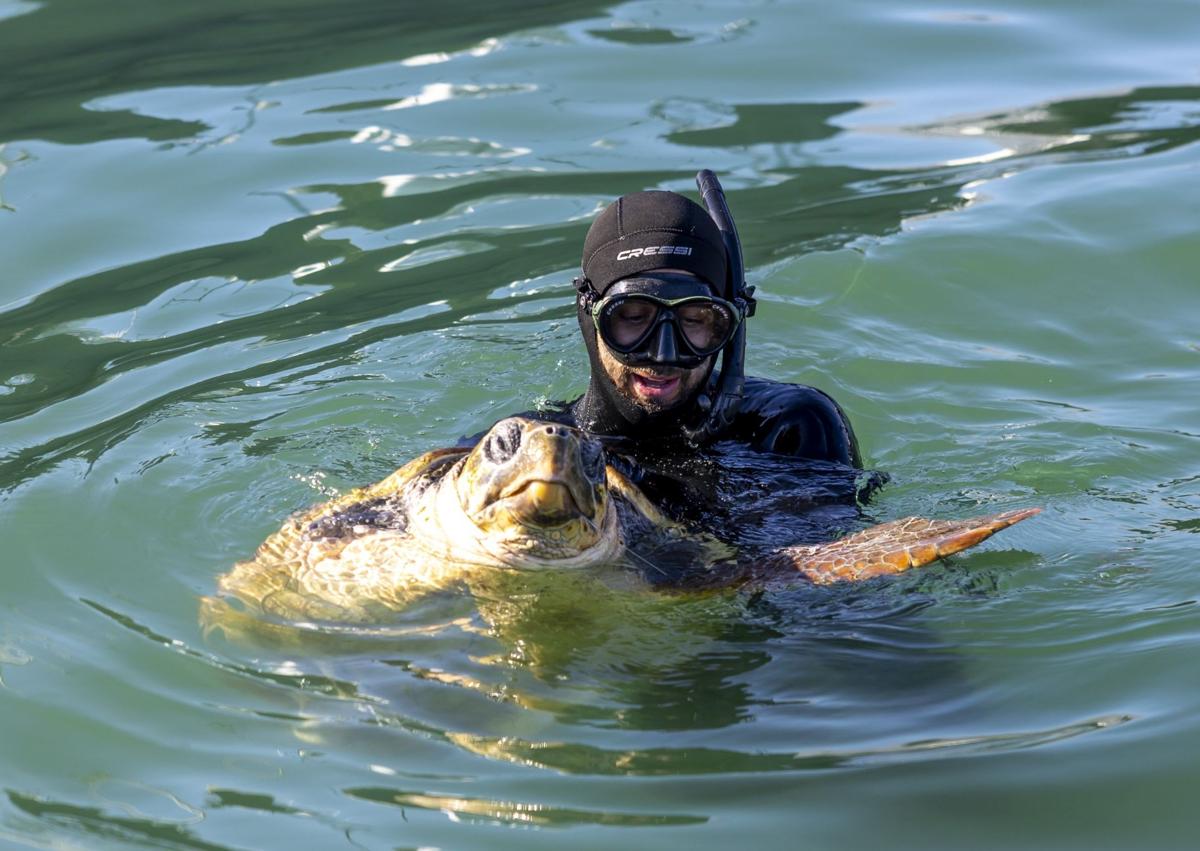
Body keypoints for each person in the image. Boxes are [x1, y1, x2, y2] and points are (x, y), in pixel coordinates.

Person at [516, 171, 873, 525]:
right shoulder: (528, 454)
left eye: (694, 321)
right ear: (589, 316)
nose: (663, 356)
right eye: (635, 318)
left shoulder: (788, 428)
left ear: (727, 325)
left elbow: (821, 570)